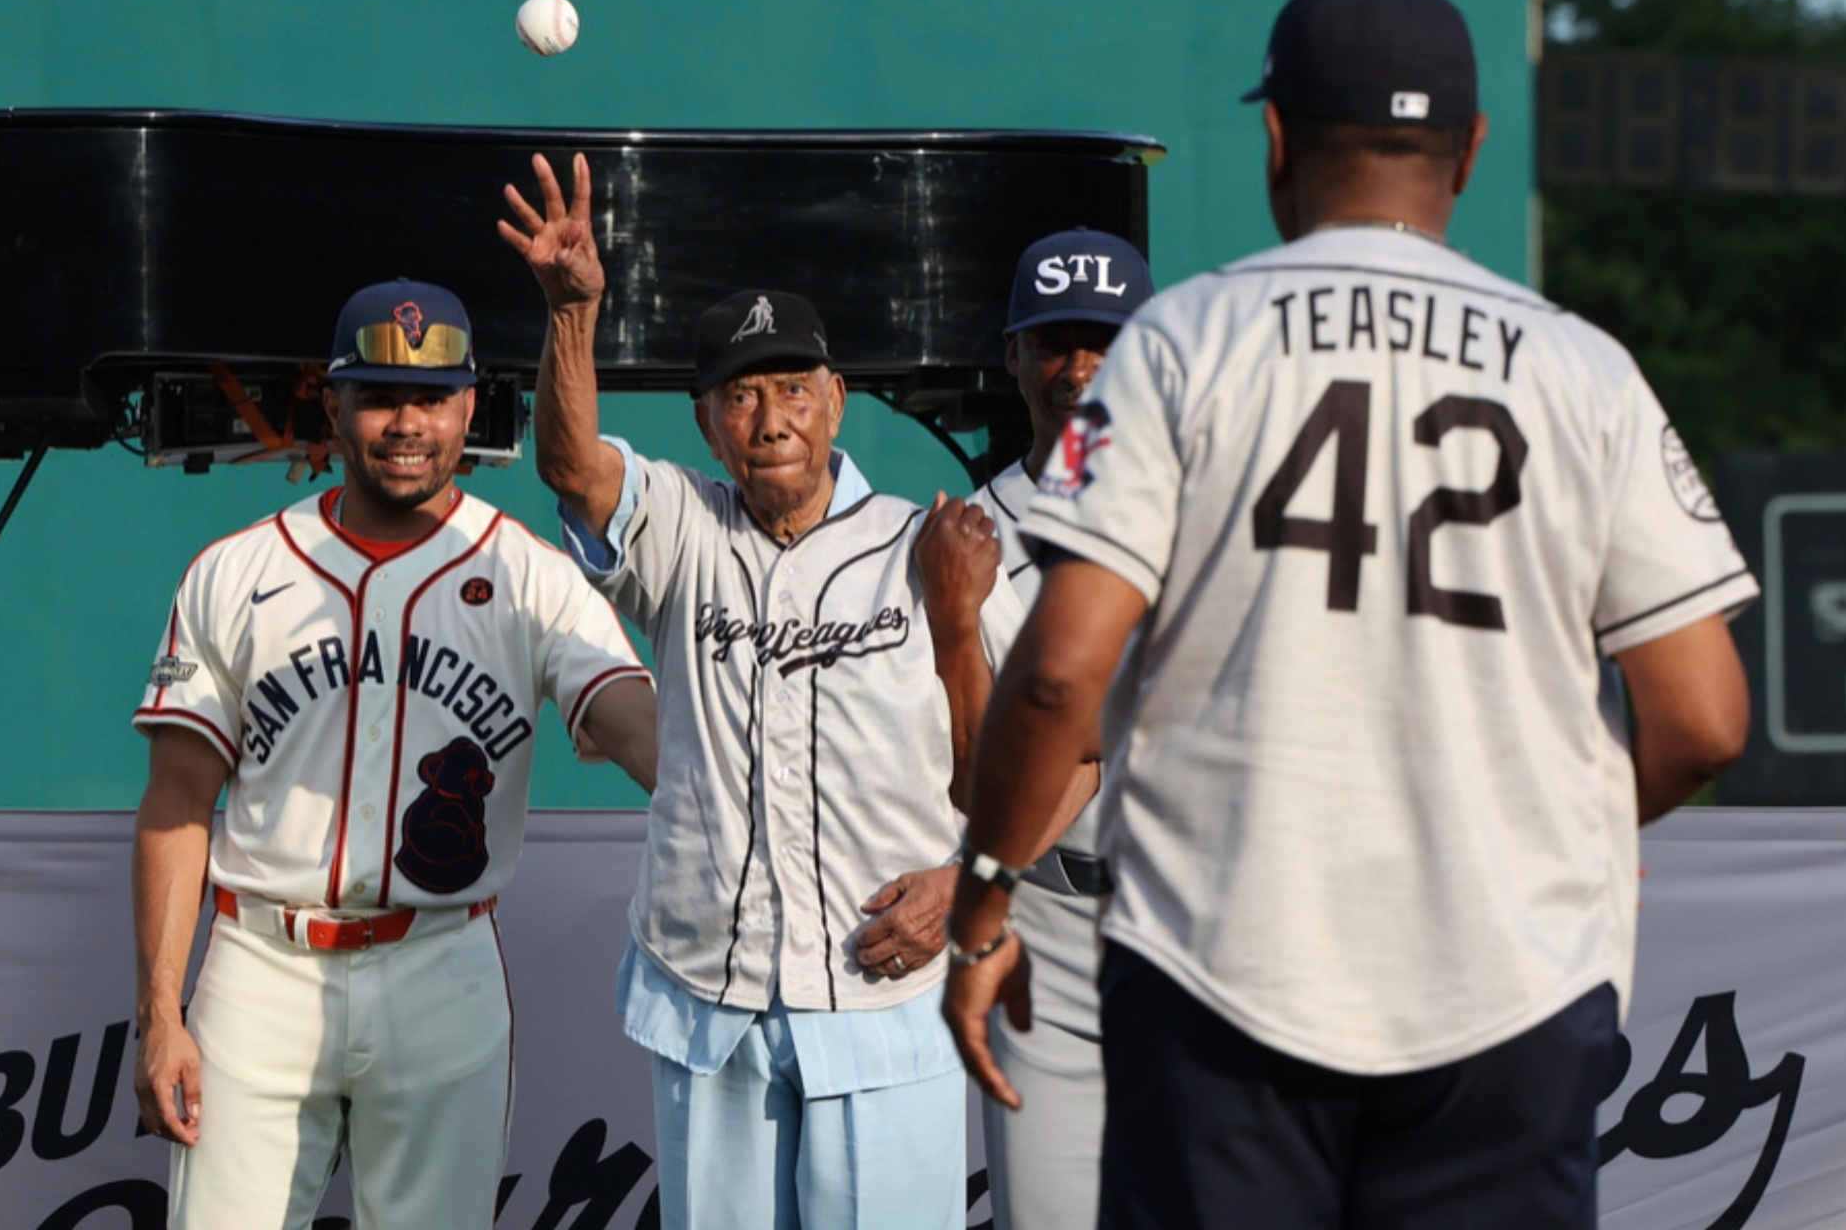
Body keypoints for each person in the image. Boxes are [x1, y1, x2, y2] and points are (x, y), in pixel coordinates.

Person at [944, 0, 1756, 1229]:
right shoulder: (1581, 367)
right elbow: (1703, 716)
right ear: (1473, 150)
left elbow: (1057, 675)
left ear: (1275, 138)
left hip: (1226, 973)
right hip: (1504, 980)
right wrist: (1576, 825)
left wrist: (986, 896)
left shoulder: (1178, 345)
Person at [501, 152, 1021, 1229]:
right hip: (710, 997)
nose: (770, 416)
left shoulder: (933, 545)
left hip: (880, 992)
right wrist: (570, 315)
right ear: (704, 423)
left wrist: (970, 880)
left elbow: (1033, 758)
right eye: (740, 394)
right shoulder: (683, 527)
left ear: (836, 402)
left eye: (793, 387)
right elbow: (573, 467)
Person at [130, 279, 660, 1230]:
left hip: (440, 964)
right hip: (261, 964)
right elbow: (176, 804)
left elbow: (633, 721)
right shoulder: (237, 570)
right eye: (378, 395)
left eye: (430, 397)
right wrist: (161, 1014)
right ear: (332, 403)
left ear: (470, 405)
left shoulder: (529, 575)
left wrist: (732, 779)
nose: (405, 422)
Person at [968, 227, 1150, 1230]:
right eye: (1053, 343)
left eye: (1101, 342)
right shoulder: (968, 541)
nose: (1076, 369)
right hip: (1045, 919)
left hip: (1189, 921)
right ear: (1012, 357)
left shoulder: (1206, 512)